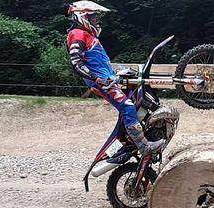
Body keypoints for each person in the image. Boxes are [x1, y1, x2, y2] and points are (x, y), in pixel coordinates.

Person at [67, 1, 165, 155]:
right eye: (93, 18)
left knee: (137, 98)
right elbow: (76, 64)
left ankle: (140, 134)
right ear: (82, 16)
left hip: (108, 78)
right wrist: (96, 79)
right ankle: (143, 145)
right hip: (102, 82)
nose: (96, 22)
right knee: (127, 106)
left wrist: (118, 73)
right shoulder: (77, 34)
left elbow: (98, 62)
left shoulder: (88, 35)